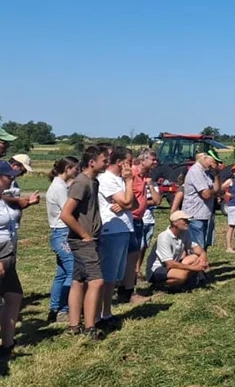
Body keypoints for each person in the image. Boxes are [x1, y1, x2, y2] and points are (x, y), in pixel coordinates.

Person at [60, 145, 108, 339]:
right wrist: (85, 235)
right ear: (92, 162)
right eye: (104, 160)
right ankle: (90, 328)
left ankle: (73, 325)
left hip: (89, 239)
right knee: (96, 281)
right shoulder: (81, 183)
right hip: (83, 241)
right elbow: (66, 214)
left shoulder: (93, 182)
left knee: (79, 280)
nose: (107, 163)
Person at [96, 147, 136, 330]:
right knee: (108, 275)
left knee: (114, 276)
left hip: (123, 228)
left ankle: (106, 311)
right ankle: (100, 314)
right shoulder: (107, 179)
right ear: (120, 162)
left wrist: (126, 203)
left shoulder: (120, 180)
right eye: (130, 162)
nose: (131, 166)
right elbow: (128, 201)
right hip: (111, 230)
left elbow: (134, 203)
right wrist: (129, 183)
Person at [122, 148, 160, 304]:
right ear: (143, 160)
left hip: (139, 219)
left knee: (134, 255)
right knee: (130, 257)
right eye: (152, 159)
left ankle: (126, 289)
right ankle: (127, 291)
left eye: (156, 159)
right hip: (130, 219)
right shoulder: (131, 174)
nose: (155, 162)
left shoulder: (146, 176)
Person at [46, 156, 80, 323]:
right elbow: (68, 211)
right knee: (72, 271)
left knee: (61, 273)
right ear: (67, 169)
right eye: (75, 168)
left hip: (58, 232)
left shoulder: (59, 185)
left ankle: (54, 307)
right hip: (63, 233)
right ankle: (64, 309)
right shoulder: (59, 188)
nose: (77, 171)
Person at [145, 210, 210, 290]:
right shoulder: (164, 237)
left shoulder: (184, 233)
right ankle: (159, 285)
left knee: (195, 258)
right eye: (184, 220)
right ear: (175, 223)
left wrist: (203, 256)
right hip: (157, 269)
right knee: (182, 276)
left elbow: (194, 247)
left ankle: (186, 281)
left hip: (173, 264)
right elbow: (169, 264)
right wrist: (195, 268)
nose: (188, 222)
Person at [0, 161, 26, 357]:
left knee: (14, 296)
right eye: (8, 176)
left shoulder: (3, 198)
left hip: (7, 254)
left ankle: (7, 344)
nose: (12, 179)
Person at [182, 150, 222, 252]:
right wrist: (213, 191)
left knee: (203, 246)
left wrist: (216, 175)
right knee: (198, 248)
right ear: (205, 158)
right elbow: (206, 194)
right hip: (195, 216)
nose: (215, 165)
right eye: (214, 161)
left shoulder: (206, 173)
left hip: (205, 215)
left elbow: (217, 189)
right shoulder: (196, 171)